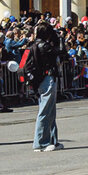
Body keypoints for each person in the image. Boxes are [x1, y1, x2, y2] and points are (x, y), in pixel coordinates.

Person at [27, 22, 62, 152]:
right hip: (47, 79)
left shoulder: (32, 45)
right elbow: (61, 52)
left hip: (39, 79)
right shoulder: (44, 46)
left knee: (50, 111)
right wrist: (59, 39)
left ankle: (53, 140)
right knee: (44, 111)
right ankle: (40, 142)